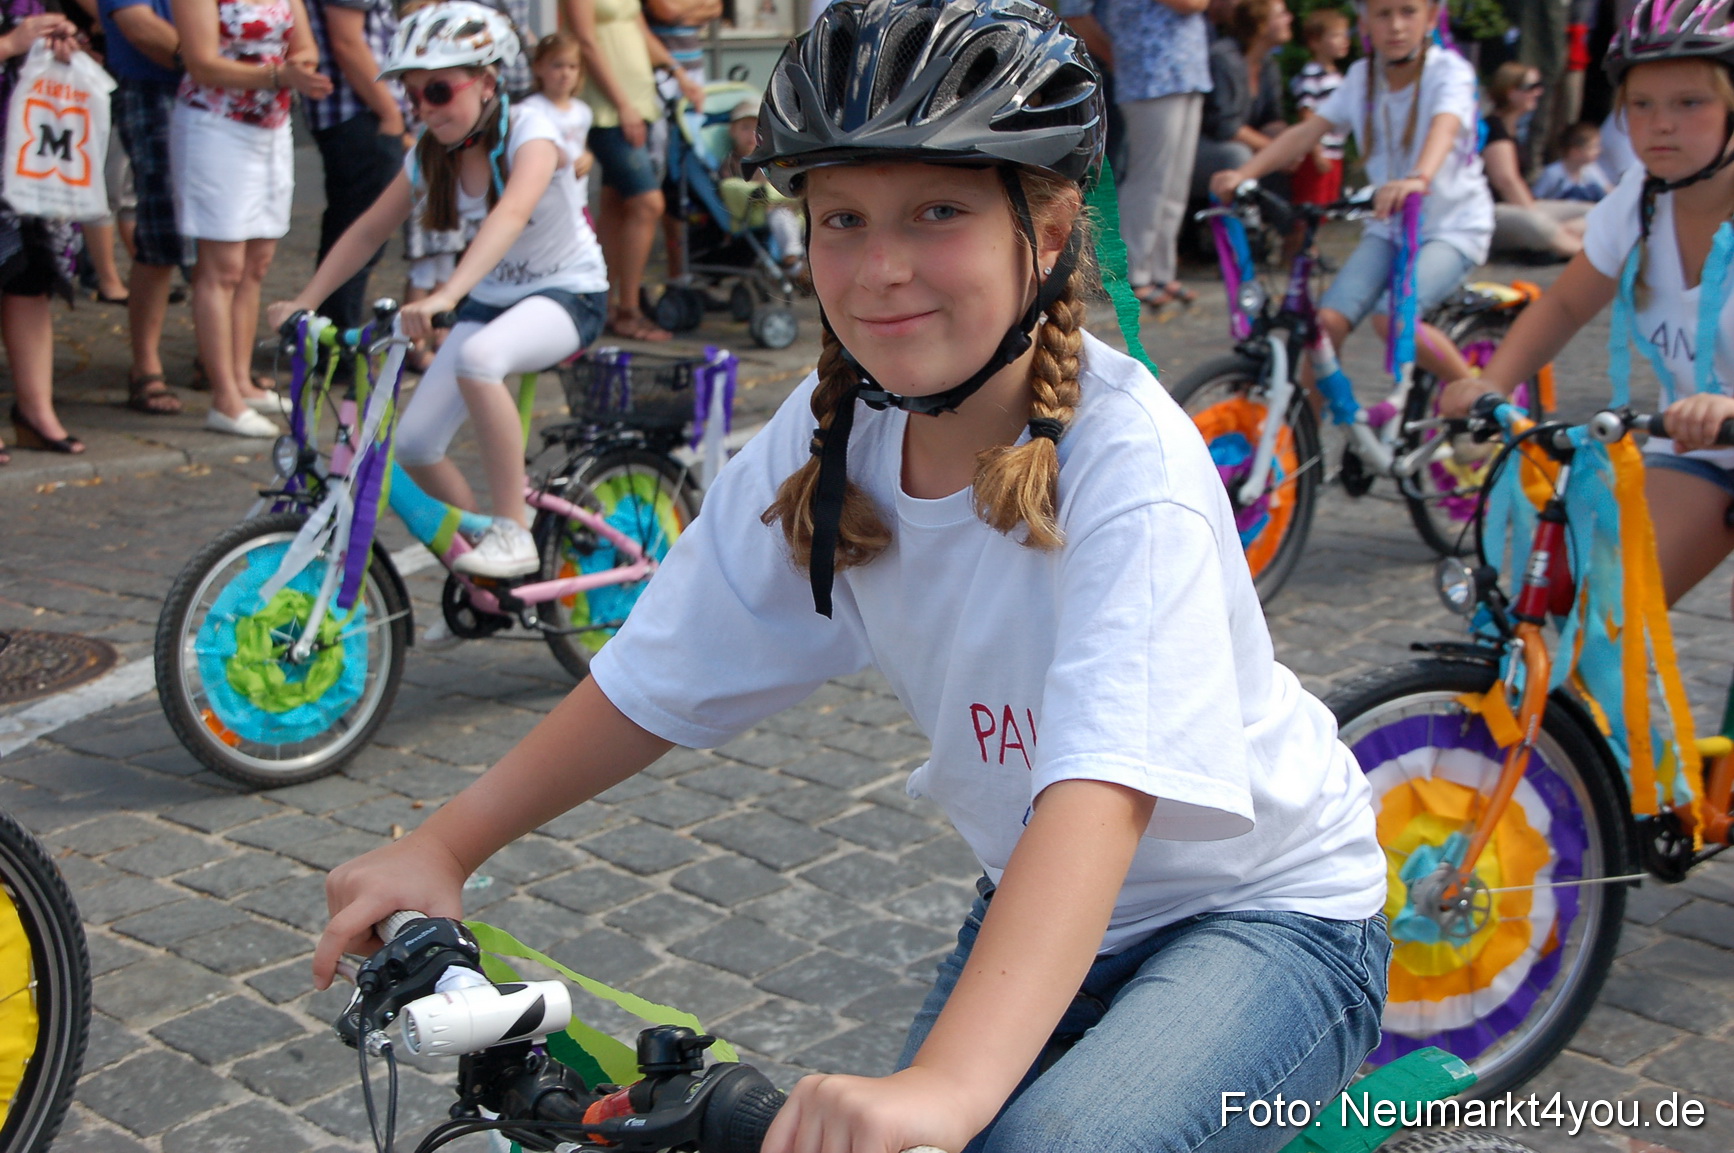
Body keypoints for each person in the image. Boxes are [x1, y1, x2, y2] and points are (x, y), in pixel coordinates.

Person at [313, 4, 1390, 1152]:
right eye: (841, 218)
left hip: (1266, 913)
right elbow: (660, 669)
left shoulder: (1132, 464)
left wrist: (952, 1086)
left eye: (939, 211)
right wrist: (444, 845)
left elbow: (1102, 790)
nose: (880, 269)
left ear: (1053, 224)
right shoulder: (833, 437)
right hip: (1038, 899)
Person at [268, 2, 610, 580]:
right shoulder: (431, 153)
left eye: (438, 91)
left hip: (569, 294)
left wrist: (443, 294)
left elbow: (511, 213)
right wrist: (306, 300)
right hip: (492, 301)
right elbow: (369, 230)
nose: (424, 107)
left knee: (480, 360)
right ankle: (480, 573)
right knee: (416, 444)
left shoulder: (533, 129)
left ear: (486, 80)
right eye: (412, 94)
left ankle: (514, 531)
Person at [1440, 0, 1734, 612]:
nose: (1660, 125)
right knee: (1595, 611)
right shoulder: (1641, 202)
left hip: (1716, 426)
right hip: (1701, 450)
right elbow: (1567, 305)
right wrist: (1488, 381)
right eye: (1642, 105)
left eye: (1690, 103)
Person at [1210, 0, 1488, 394]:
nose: (1395, 26)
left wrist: (1418, 178)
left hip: (1452, 227)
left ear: (1429, 18)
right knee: (1324, 326)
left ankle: (1478, 397)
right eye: (1383, 14)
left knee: (1394, 319)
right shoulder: (1362, 77)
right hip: (1388, 228)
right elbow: (1306, 133)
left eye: (1408, 12)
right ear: (1365, 23)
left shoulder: (1449, 73)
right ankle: (1304, 443)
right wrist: (1244, 174)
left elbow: (1444, 127)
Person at [170, 0, 332, 437]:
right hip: (215, 125)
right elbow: (202, 63)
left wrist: (299, 66)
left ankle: (243, 382)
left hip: (271, 126)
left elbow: (306, 47)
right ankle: (223, 397)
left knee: (256, 263)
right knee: (222, 268)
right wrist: (280, 74)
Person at [566, 0, 701, 341]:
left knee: (616, 203)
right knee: (647, 203)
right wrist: (622, 104)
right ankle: (629, 309)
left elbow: (640, 30)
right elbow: (585, 41)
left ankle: (606, 302)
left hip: (639, 102)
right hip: (606, 109)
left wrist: (678, 73)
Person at [0, 5, 86, 465]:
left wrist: (59, 38)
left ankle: (36, 411)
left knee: (29, 275)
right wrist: (10, 45)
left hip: (30, 141)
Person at [99, 0, 187, 416]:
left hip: (225, 91)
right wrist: (208, 59)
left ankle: (220, 358)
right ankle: (145, 366)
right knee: (160, 230)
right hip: (155, 87)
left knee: (229, 239)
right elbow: (139, 27)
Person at [302, 0, 406, 338]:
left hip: (360, 113)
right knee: (359, 232)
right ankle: (338, 346)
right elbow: (347, 41)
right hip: (359, 113)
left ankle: (329, 338)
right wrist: (390, 113)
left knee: (351, 226)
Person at [1103, 0, 1214, 311]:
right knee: (1149, 179)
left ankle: (1161, 271)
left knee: (1175, 184)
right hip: (1151, 76)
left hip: (1186, 73)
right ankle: (1131, 274)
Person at [1483, 61, 1591, 260]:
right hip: (1491, 212)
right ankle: (1584, 256)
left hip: (1517, 206)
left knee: (1592, 212)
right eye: (1531, 87)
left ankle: (1556, 241)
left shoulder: (1513, 127)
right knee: (1536, 224)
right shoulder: (1494, 128)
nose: (1539, 92)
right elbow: (1507, 182)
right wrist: (1536, 214)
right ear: (1511, 92)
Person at [1192, 0, 1292, 202]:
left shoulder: (1268, 64)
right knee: (1239, 155)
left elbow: (1272, 118)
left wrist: (1289, 147)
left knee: (1292, 152)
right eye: (1281, 14)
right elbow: (1224, 125)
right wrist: (1275, 151)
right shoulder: (1223, 58)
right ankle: (1234, 230)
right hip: (1205, 147)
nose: (1289, 18)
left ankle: (1290, 228)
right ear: (1260, 24)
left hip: (1240, 141)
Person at [717, 99, 802, 270]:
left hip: (781, 204)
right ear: (732, 131)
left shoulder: (771, 158)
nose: (751, 134)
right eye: (745, 127)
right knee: (782, 218)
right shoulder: (731, 162)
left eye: (756, 128)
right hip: (754, 210)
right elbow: (731, 188)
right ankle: (792, 257)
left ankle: (802, 258)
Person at [1290, 6, 1350, 209]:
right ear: (1315, 42)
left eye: (1345, 35)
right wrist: (1316, 152)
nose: (1344, 40)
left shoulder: (1337, 76)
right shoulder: (1312, 74)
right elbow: (1307, 114)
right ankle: (1302, 242)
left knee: (1326, 209)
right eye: (1335, 36)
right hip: (1318, 154)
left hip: (1335, 153)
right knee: (1309, 210)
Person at [1533, 121, 1614, 201]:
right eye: (1593, 147)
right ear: (1575, 152)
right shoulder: (1553, 173)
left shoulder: (1591, 169)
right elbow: (1536, 197)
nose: (1599, 151)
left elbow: (1607, 190)